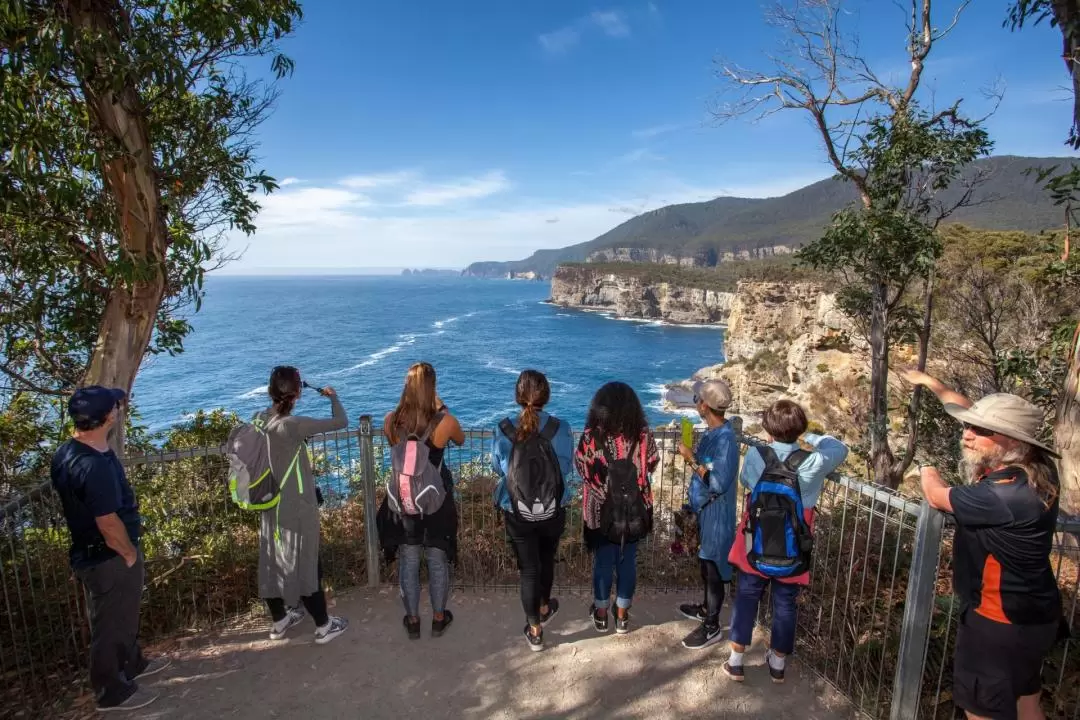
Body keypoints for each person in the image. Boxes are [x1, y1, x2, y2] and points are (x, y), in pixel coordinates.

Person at [905, 369, 1063, 720]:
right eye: (968, 426)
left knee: (981, 710)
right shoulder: (1040, 469)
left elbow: (935, 496)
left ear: (1012, 440)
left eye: (981, 430)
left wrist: (925, 466)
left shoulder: (1001, 495)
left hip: (996, 622)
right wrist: (932, 383)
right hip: (1036, 616)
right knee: (1027, 701)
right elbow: (962, 407)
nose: (968, 435)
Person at [51, 387, 170, 712]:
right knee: (109, 623)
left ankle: (131, 663)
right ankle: (111, 691)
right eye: (115, 406)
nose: (120, 409)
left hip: (95, 552)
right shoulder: (93, 466)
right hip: (108, 556)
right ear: (107, 417)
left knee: (122, 615)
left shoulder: (70, 452)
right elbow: (106, 521)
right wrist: (128, 553)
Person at [724, 399, 848, 683]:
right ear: (799, 429)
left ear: (768, 429)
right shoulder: (813, 461)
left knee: (746, 597)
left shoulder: (757, 455)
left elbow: (746, 481)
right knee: (785, 603)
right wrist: (812, 438)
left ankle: (736, 661)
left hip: (756, 540)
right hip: (794, 546)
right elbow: (840, 448)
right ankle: (778, 664)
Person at [257, 366, 349, 645]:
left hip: (268, 503)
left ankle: (280, 620)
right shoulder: (293, 425)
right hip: (297, 505)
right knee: (307, 562)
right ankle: (323, 626)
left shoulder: (260, 419)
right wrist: (333, 397)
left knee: (272, 561)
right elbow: (341, 421)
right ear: (297, 392)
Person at [491, 370, 575, 651]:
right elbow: (565, 469)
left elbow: (497, 467)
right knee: (547, 559)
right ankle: (543, 606)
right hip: (553, 509)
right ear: (546, 395)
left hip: (517, 510)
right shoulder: (561, 428)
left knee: (528, 569)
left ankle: (535, 631)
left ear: (518, 396)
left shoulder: (503, 429)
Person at [383, 362, 464, 640]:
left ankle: (413, 620)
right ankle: (439, 618)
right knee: (437, 559)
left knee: (408, 559)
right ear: (433, 387)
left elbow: (399, 450)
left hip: (404, 501)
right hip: (436, 501)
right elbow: (461, 439)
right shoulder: (445, 423)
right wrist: (442, 409)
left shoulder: (391, 420)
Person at [575, 381, 659, 635]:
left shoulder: (592, 437)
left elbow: (582, 468)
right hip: (635, 510)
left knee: (603, 562)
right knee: (628, 561)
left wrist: (603, 487)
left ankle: (601, 614)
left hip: (601, 512)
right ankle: (622, 615)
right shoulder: (643, 435)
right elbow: (652, 463)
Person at [676, 379, 740, 650]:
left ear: (705, 406)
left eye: (697, 400)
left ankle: (712, 625)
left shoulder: (725, 440)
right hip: (705, 512)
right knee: (706, 564)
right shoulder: (715, 433)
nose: (696, 404)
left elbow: (717, 482)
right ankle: (706, 608)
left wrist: (691, 459)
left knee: (713, 568)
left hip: (716, 515)